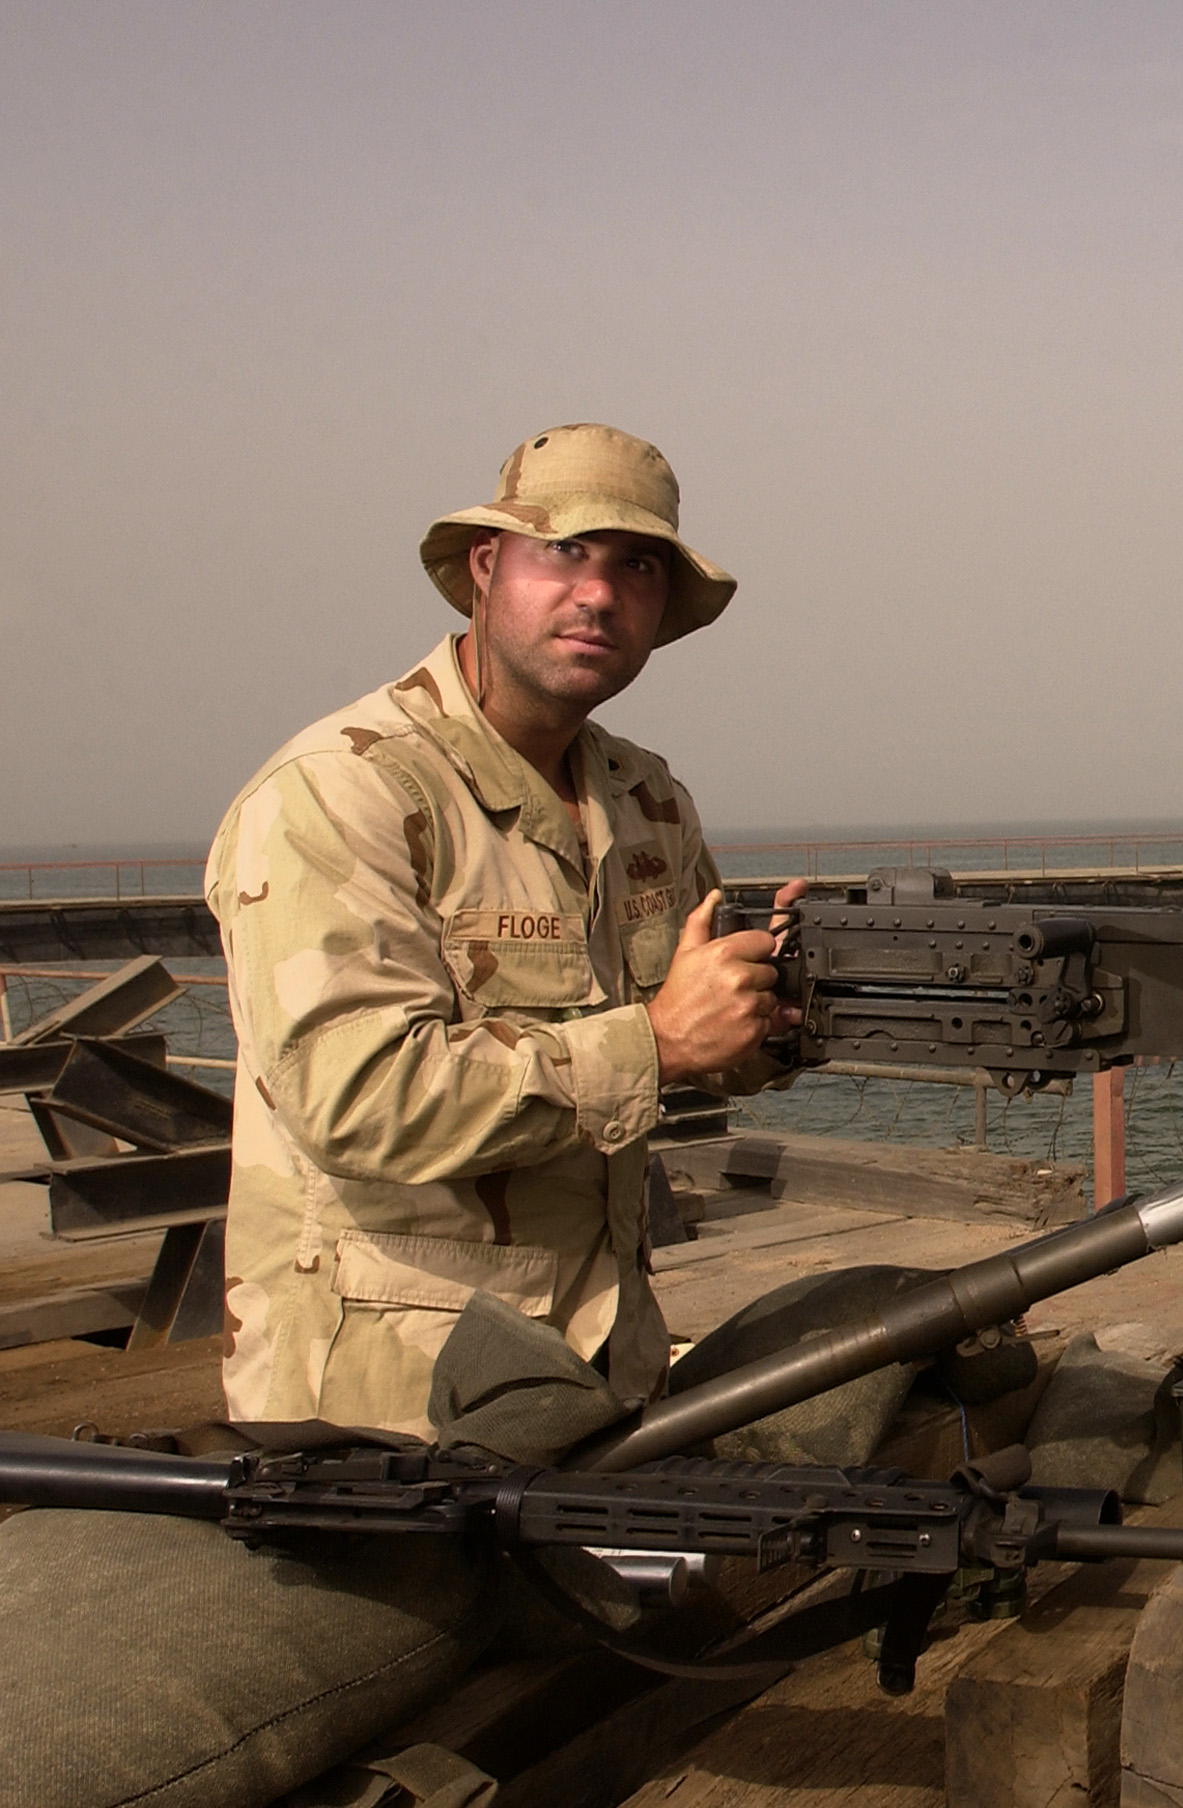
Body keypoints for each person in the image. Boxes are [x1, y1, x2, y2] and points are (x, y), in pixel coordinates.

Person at [205, 423, 799, 1435]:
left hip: (601, 1366)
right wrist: (653, 1040)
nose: (600, 593)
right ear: (487, 566)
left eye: (638, 565)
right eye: (563, 551)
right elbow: (354, 1097)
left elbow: (709, 1041)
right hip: (389, 1399)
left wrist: (799, 1003)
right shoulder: (344, 791)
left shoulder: (646, 796)